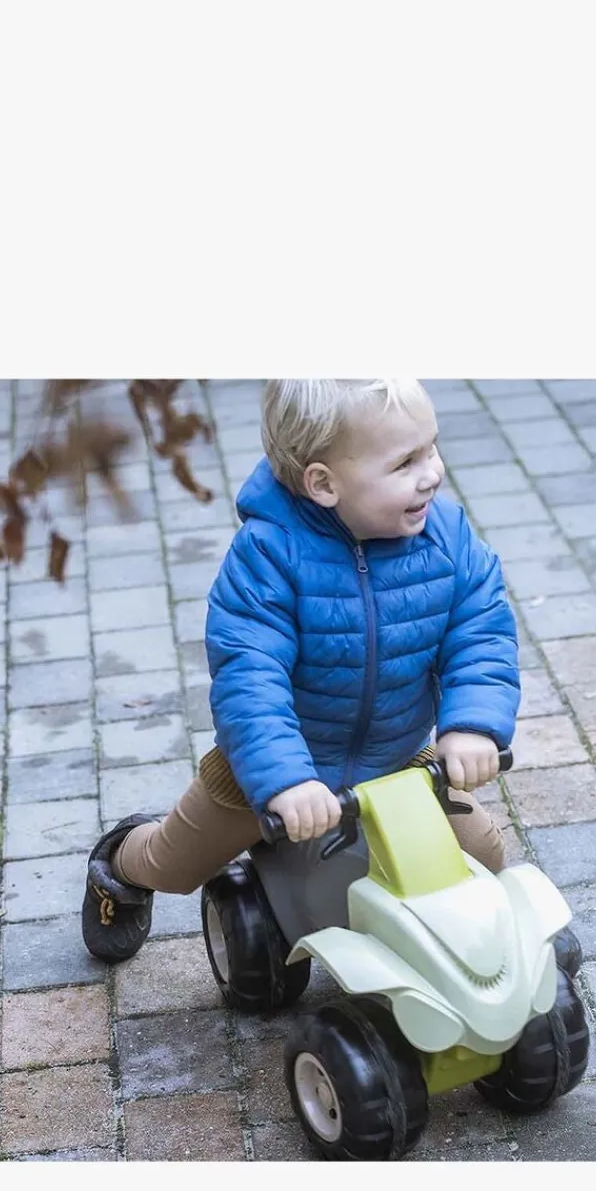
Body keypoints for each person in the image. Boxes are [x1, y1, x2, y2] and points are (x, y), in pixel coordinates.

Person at [82, 377, 523, 964]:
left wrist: (472, 725)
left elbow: (480, 630)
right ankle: (119, 865)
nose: (432, 474)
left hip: (396, 763)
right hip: (267, 772)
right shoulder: (268, 557)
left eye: (431, 449)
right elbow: (250, 678)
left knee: (482, 853)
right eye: (405, 463)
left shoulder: (448, 539)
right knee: (176, 863)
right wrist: (285, 779)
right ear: (324, 483)